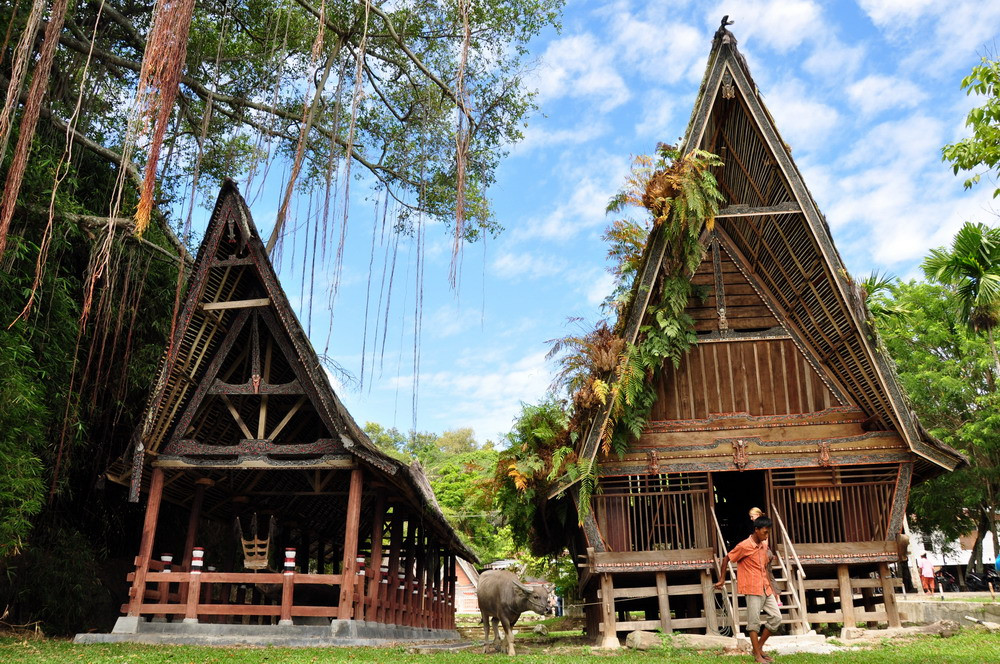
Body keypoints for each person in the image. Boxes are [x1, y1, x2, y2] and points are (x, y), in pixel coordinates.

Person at [715, 514, 781, 664]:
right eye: (765, 532)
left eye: (768, 532)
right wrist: (722, 579)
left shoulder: (764, 546)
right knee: (754, 623)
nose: (767, 535)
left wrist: (772, 589)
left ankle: (758, 647)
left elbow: (765, 568)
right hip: (752, 588)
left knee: (776, 618)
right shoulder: (744, 545)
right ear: (756, 530)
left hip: (766, 587)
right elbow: (726, 558)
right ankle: (757, 656)